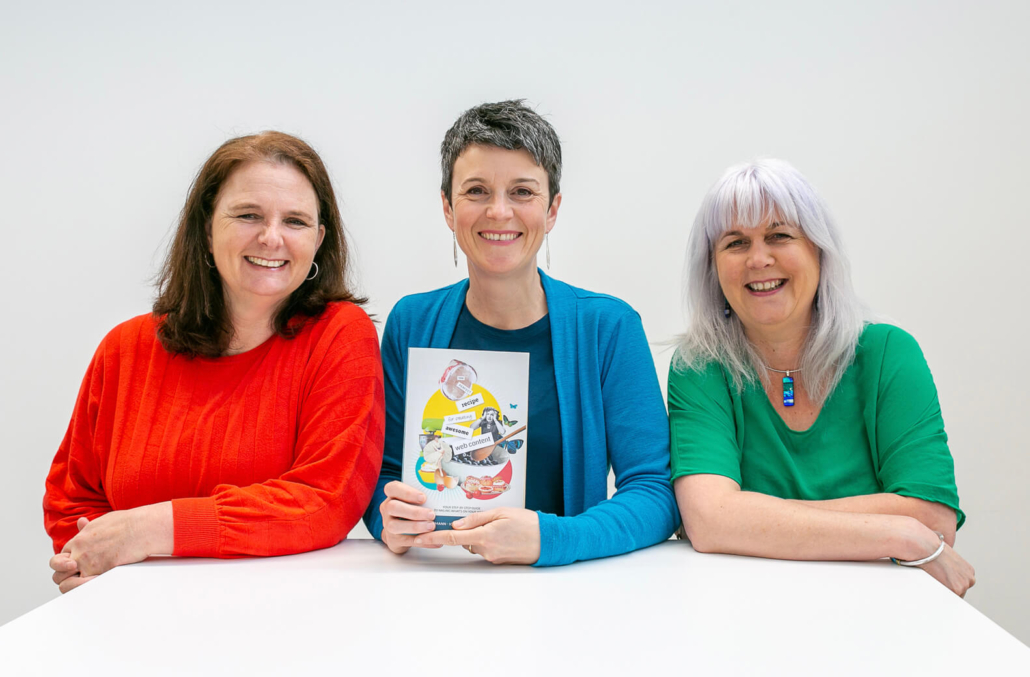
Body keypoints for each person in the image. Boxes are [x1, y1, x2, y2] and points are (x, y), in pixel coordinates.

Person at [44, 131, 384, 592]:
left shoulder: (339, 335)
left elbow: (326, 500)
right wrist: (93, 570)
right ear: (206, 228)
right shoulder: (123, 349)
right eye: (248, 215)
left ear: (319, 240)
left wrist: (146, 531)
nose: (271, 238)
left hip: (284, 618)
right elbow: (72, 501)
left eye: (296, 221)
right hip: (132, 618)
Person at [364, 100, 678, 566]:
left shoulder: (609, 328)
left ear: (552, 210)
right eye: (476, 191)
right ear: (448, 208)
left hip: (567, 592)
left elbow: (655, 493)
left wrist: (553, 539)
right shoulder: (411, 323)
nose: (498, 211)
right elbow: (381, 475)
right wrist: (384, 518)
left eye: (522, 192)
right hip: (434, 586)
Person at [668, 158, 975, 595]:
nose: (758, 259)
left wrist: (753, 520)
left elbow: (934, 518)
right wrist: (899, 533)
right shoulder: (699, 366)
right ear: (713, 267)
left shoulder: (888, 353)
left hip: (888, 610)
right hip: (747, 608)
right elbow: (710, 521)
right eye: (735, 243)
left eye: (779, 236)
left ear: (819, 250)